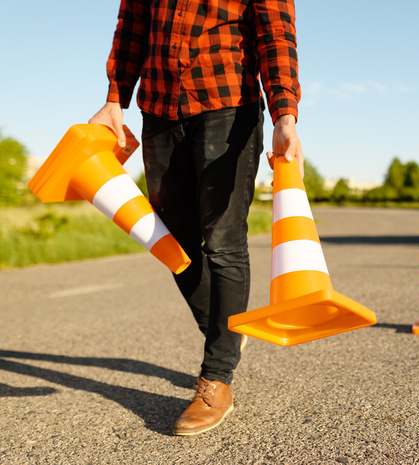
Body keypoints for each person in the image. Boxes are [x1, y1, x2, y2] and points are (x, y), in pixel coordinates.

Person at [89, 0, 303, 436]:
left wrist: (284, 114)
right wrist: (115, 97)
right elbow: (131, 24)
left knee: (223, 242)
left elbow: (275, 34)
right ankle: (228, 328)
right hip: (160, 109)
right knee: (173, 243)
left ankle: (217, 378)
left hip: (228, 106)